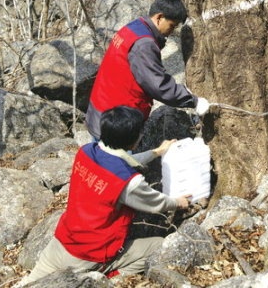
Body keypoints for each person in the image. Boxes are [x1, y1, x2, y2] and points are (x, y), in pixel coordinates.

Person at [15, 106, 191, 286]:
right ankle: (105, 278)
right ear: (135, 141)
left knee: (28, 283)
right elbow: (156, 202)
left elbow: (118, 161)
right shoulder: (129, 182)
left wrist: (156, 152)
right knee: (158, 245)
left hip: (61, 241)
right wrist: (178, 202)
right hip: (89, 253)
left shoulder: (84, 152)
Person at [86, 0, 210, 140]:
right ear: (159, 17)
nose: (171, 32)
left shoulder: (133, 27)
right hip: (117, 123)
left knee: (98, 159)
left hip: (102, 108)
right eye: (171, 26)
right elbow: (158, 85)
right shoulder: (144, 44)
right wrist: (193, 101)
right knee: (115, 162)